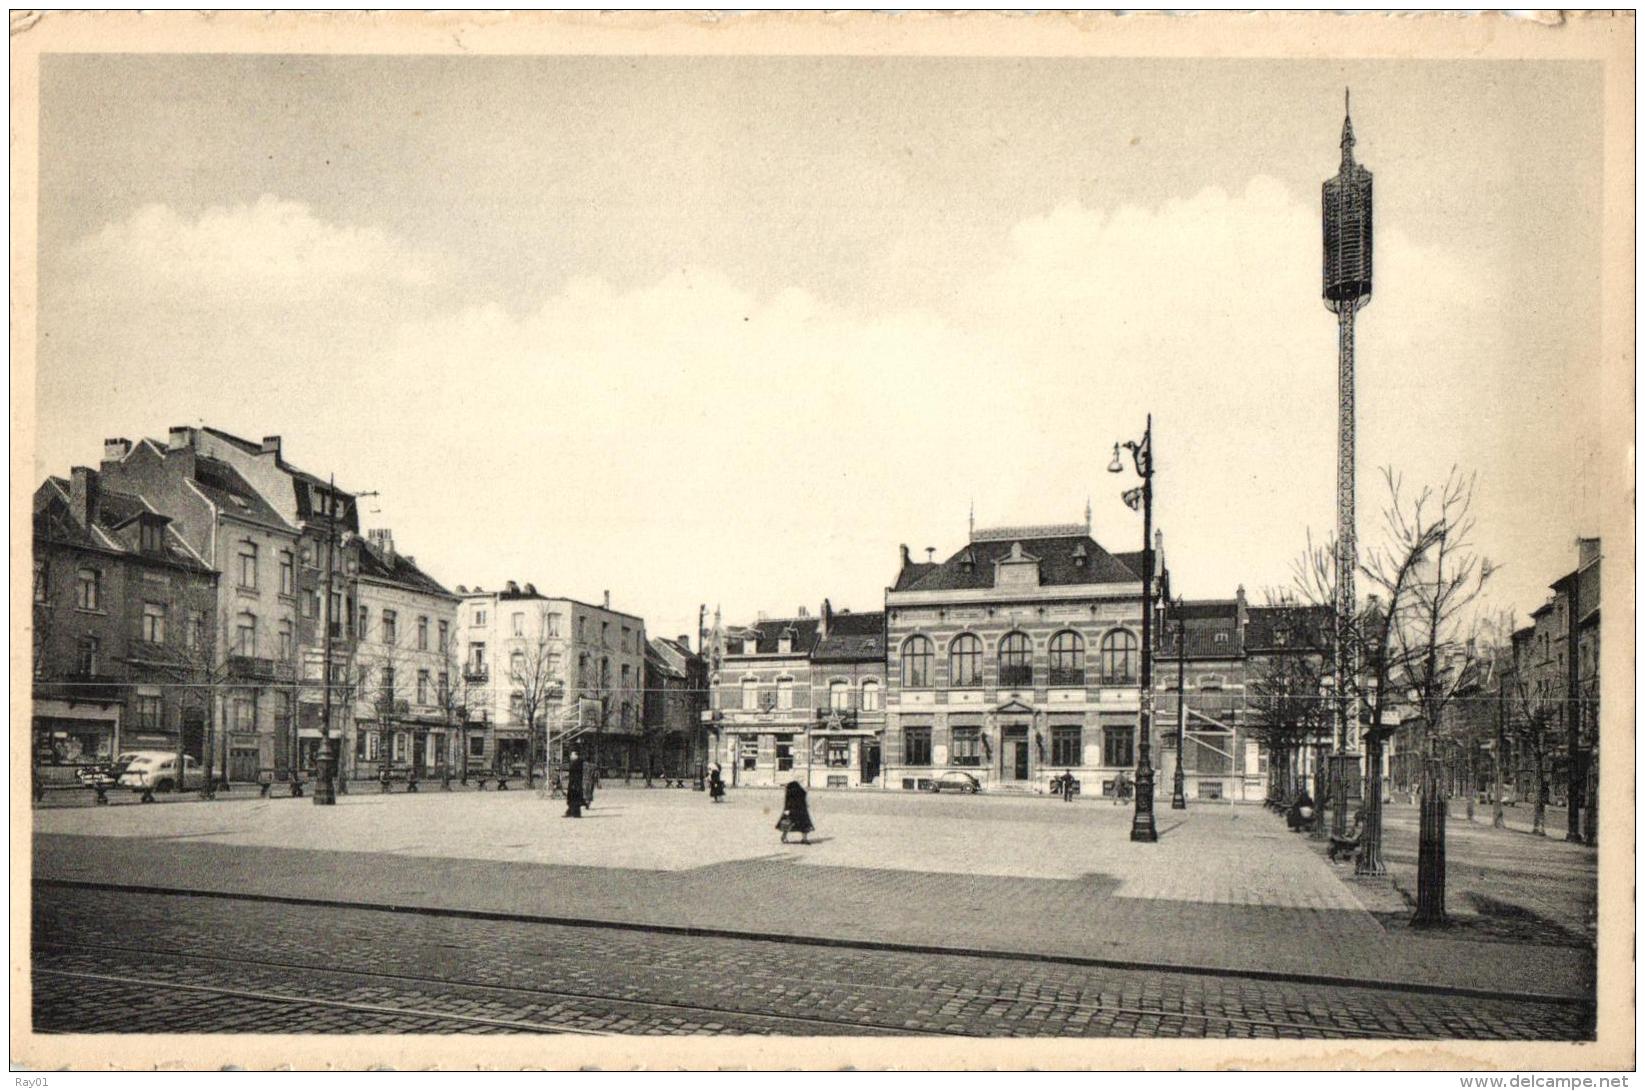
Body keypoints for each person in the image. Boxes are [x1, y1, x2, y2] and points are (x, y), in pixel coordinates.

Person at [777, 779, 814, 845]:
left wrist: (786, 810)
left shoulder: (790, 791)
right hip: (801, 810)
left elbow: (787, 802)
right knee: (804, 824)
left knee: (788, 824)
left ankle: (784, 837)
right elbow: (804, 798)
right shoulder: (801, 791)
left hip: (793, 809)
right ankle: (804, 839)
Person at [564, 749, 585, 818]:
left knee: (575, 798)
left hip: (575, 783)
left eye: (572, 755)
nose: (571, 756)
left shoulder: (577, 762)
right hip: (574, 782)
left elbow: (574, 772)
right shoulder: (576, 762)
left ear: (576, 755)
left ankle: (576, 813)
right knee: (572, 798)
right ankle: (570, 811)